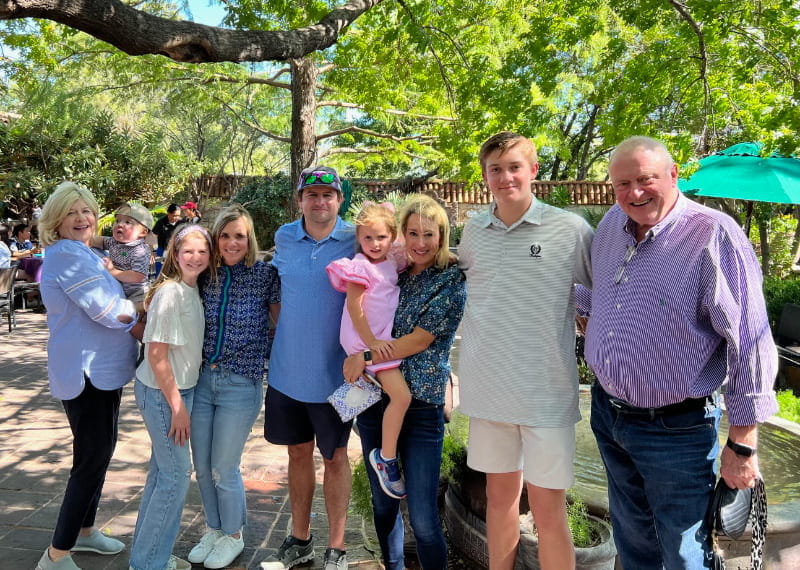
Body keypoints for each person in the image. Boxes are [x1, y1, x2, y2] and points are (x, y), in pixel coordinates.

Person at [579, 136, 778, 569]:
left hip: (675, 429)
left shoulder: (713, 234)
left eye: (645, 179)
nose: (634, 192)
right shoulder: (612, 224)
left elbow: (750, 341)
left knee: (686, 555)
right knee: (633, 543)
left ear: (673, 175)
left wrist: (742, 444)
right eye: (622, 183)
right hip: (609, 414)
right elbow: (606, 296)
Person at [457, 131, 593, 570]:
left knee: (549, 512)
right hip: (489, 391)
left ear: (533, 170)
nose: (505, 177)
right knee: (499, 502)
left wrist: (585, 315)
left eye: (514, 167)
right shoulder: (473, 230)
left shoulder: (569, 229)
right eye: (495, 169)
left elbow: (604, 288)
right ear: (485, 176)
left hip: (546, 395)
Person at [343, 194, 467, 570]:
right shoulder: (394, 269)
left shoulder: (450, 280)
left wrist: (363, 357)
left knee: (425, 520)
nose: (420, 242)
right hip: (375, 399)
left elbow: (419, 340)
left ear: (442, 235)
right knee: (383, 506)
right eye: (412, 233)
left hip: (422, 404)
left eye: (429, 234)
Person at [35, 181, 140, 570]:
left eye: (87, 211)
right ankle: (56, 555)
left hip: (100, 371)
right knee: (92, 458)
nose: (82, 218)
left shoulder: (83, 252)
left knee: (97, 452)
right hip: (87, 372)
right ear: (55, 220)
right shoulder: (67, 255)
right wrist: (148, 314)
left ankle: (84, 531)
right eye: (71, 212)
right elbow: (107, 309)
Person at [261, 166, 355, 570]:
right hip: (286, 374)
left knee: (335, 457)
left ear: (339, 200)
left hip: (338, 377)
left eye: (328, 194)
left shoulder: (357, 239)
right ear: (299, 199)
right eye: (312, 194)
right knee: (297, 454)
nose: (320, 201)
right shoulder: (284, 237)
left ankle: (337, 547)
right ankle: (300, 539)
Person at [187, 205, 280, 569]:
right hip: (202, 381)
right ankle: (214, 528)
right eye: (224, 235)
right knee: (202, 465)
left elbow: (280, 323)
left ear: (249, 238)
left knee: (224, 467)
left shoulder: (265, 274)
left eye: (239, 236)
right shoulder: (205, 273)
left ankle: (233, 534)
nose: (231, 243)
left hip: (240, 382)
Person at [129, 224, 212, 570]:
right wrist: (178, 408)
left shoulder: (192, 289)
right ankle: (149, 563)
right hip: (164, 394)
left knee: (162, 474)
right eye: (188, 251)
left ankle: (147, 557)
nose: (195, 257)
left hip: (180, 390)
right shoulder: (170, 293)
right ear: (175, 255)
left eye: (202, 251)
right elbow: (156, 355)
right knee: (176, 476)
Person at [326, 201, 411, 500]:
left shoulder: (390, 261)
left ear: (392, 237)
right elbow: (354, 306)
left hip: (378, 339)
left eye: (381, 237)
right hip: (365, 342)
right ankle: (386, 458)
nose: (375, 244)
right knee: (401, 396)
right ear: (358, 239)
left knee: (376, 394)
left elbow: (406, 245)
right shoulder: (361, 265)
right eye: (367, 238)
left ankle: (375, 432)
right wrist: (370, 344)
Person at [90, 203, 153, 307]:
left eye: (128, 222)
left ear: (143, 232)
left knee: (132, 311)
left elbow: (138, 276)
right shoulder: (114, 242)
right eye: (117, 221)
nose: (120, 224)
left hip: (137, 293)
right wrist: (82, 239)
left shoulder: (140, 250)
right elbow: (98, 241)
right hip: (119, 288)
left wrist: (113, 271)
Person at [152, 204, 183, 275]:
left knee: (174, 271)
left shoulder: (181, 223)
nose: (176, 218)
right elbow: (154, 236)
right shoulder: (161, 222)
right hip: (161, 249)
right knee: (159, 271)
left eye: (178, 216)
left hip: (175, 250)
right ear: (168, 213)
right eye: (174, 215)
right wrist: (153, 250)